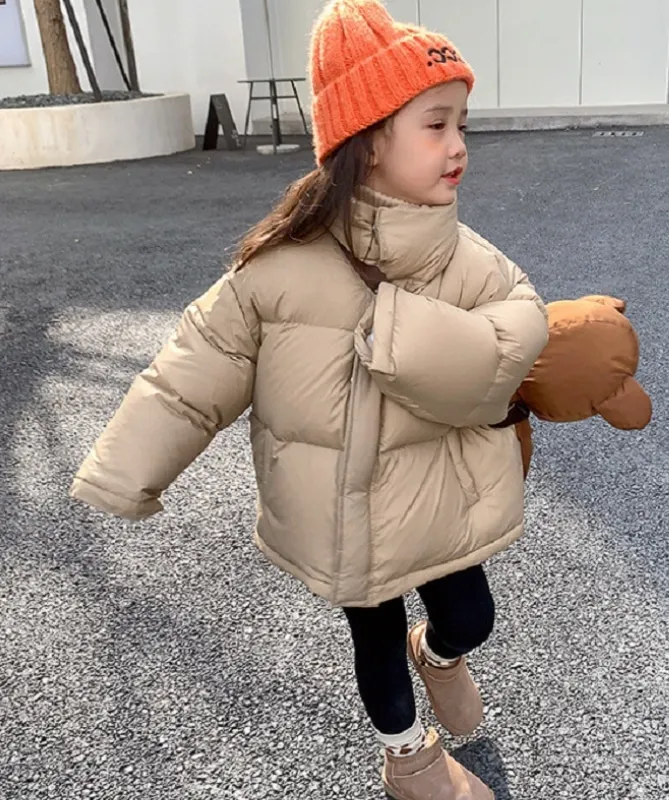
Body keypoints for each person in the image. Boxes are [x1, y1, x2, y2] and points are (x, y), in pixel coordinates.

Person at [68, 1, 550, 797]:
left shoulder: (466, 261)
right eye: (436, 125)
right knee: (373, 641)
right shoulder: (278, 268)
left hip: (437, 498)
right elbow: (193, 369)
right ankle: (409, 760)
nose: (459, 145)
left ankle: (437, 653)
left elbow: (522, 326)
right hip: (340, 515)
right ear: (368, 141)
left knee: (473, 618)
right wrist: (125, 471)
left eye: (462, 124)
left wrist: (407, 337)